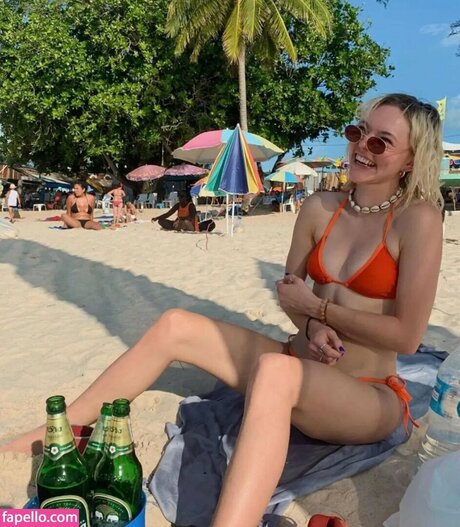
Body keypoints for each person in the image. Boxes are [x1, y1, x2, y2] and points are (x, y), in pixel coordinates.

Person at [1, 94, 444, 527]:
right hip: (297, 361)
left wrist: (320, 311)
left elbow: (407, 336)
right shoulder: (319, 207)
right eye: (358, 132)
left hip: (367, 392)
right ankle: (56, 430)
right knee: (176, 325)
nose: (362, 146)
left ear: (410, 160)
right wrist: (310, 325)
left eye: (381, 142)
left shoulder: (417, 219)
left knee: (275, 371)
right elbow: (292, 295)